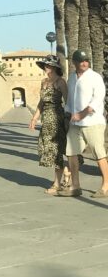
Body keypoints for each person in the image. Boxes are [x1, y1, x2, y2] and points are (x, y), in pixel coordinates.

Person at [64, 50, 108, 198]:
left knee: (99, 153)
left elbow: (98, 99)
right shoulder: (71, 78)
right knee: (72, 153)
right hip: (75, 124)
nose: (84, 63)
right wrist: (67, 114)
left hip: (93, 122)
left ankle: (106, 186)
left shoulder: (95, 77)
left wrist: (82, 113)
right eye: (81, 60)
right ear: (74, 62)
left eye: (86, 60)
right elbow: (70, 100)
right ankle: (75, 186)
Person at [28, 55, 68, 195]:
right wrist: (34, 119)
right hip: (46, 121)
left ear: (54, 67)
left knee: (56, 150)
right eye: (45, 65)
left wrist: (69, 121)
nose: (45, 67)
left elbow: (68, 102)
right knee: (48, 150)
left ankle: (57, 184)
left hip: (57, 119)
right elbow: (41, 102)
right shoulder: (44, 82)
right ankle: (66, 173)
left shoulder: (60, 82)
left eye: (48, 65)